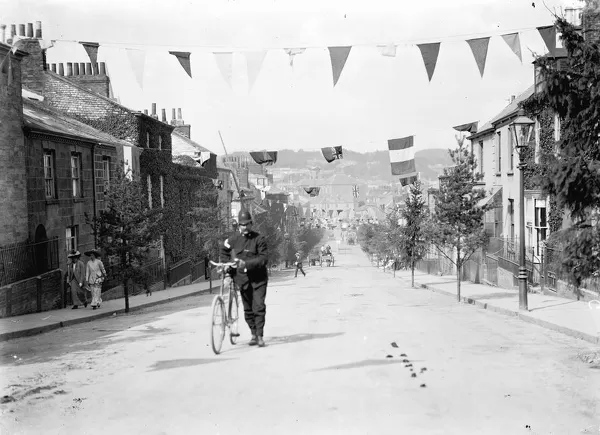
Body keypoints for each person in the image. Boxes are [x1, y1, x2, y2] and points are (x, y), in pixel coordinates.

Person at [220, 210, 269, 347]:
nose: (245, 227)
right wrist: (227, 266)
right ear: (239, 225)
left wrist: (246, 264)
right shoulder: (233, 239)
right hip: (243, 280)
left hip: (258, 279)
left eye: (247, 224)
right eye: (242, 224)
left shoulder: (259, 239)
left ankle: (259, 336)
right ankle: (253, 333)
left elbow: (263, 259)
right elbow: (224, 250)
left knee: (258, 307)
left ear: (251, 224)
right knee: (248, 309)